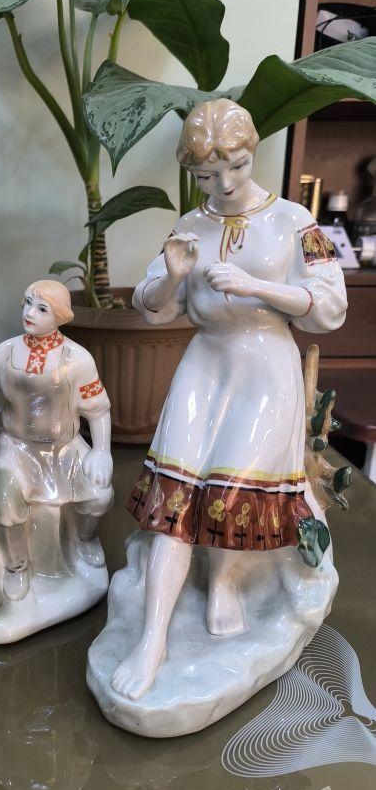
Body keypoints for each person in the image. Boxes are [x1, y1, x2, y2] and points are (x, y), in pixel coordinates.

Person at [112, 99, 347, 701]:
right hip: (205, 362)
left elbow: (328, 306)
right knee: (177, 491)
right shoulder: (190, 225)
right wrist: (172, 273)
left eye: (236, 168)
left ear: (253, 153)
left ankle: (224, 582)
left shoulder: (294, 221)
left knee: (233, 483)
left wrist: (256, 286)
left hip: (266, 363)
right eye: (207, 176)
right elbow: (152, 306)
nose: (223, 185)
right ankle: (153, 637)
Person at [0, 280, 113, 602]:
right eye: (28, 302)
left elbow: (98, 410)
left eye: (42, 308)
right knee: (3, 498)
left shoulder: (78, 359)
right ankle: (16, 565)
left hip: (64, 448)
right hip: (17, 447)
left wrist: (102, 451)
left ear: (60, 315)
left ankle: (84, 538)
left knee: (100, 495)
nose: (30, 313)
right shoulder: (5, 352)